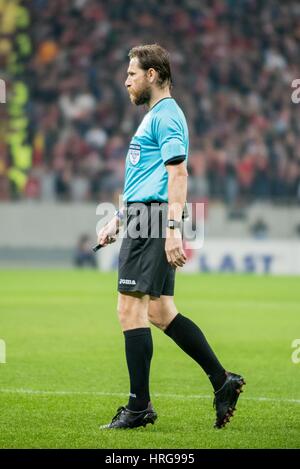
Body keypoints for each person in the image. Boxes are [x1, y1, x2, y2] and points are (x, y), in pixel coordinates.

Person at [97, 44, 245, 430]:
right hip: (144, 216)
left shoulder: (167, 116)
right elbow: (146, 177)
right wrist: (117, 218)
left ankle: (138, 406)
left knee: (129, 310)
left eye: (132, 73)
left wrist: (173, 230)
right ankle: (222, 380)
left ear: (152, 75)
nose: (125, 80)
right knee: (160, 312)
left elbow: (178, 176)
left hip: (154, 219)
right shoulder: (155, 117)